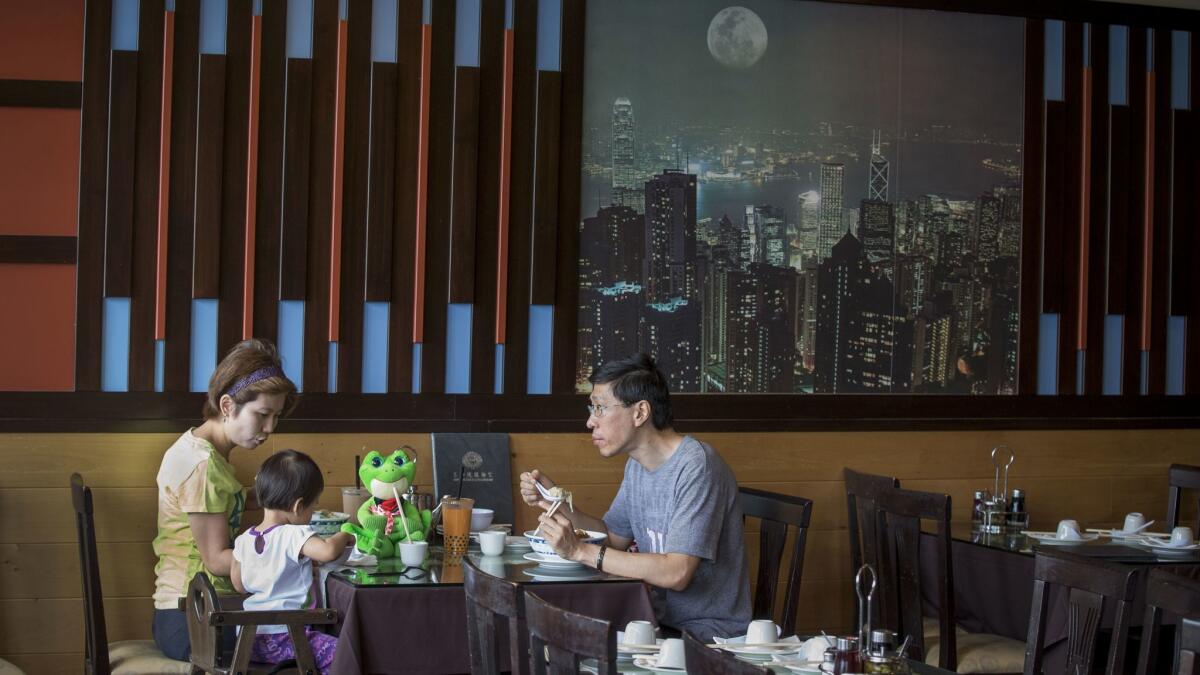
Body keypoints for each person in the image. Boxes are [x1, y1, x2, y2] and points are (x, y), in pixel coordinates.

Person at [520, 353, 751, 641]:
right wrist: (559, 505)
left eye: (601, 408)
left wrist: (580, 551)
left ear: (640, 412)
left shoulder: (696, 466)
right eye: (591, 408)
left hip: (705, 635)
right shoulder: (637, 466)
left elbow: (676, 573)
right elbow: (613, 538)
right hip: (649, 624)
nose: (591, 422)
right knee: (551, 640)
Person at [151, 338, 298, 661]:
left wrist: (281, 503)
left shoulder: (204, 451)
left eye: (276, 416)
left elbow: (223, 502)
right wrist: (289, 555)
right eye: (262, 414)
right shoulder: (202, 466)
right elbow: (217, 560)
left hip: (201, 610)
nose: (270, 428)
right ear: (228, 405)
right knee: (308, 640)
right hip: (194, 620)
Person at [231, 449, 353, 671]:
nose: (313, 511)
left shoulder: (243, 540)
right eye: (314, 505)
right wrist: (345, 534)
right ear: (298, 506)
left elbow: (239, 585)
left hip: (248, 641)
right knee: (345, 654)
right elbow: (327, 552)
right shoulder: (292, 534)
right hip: (287, 637)